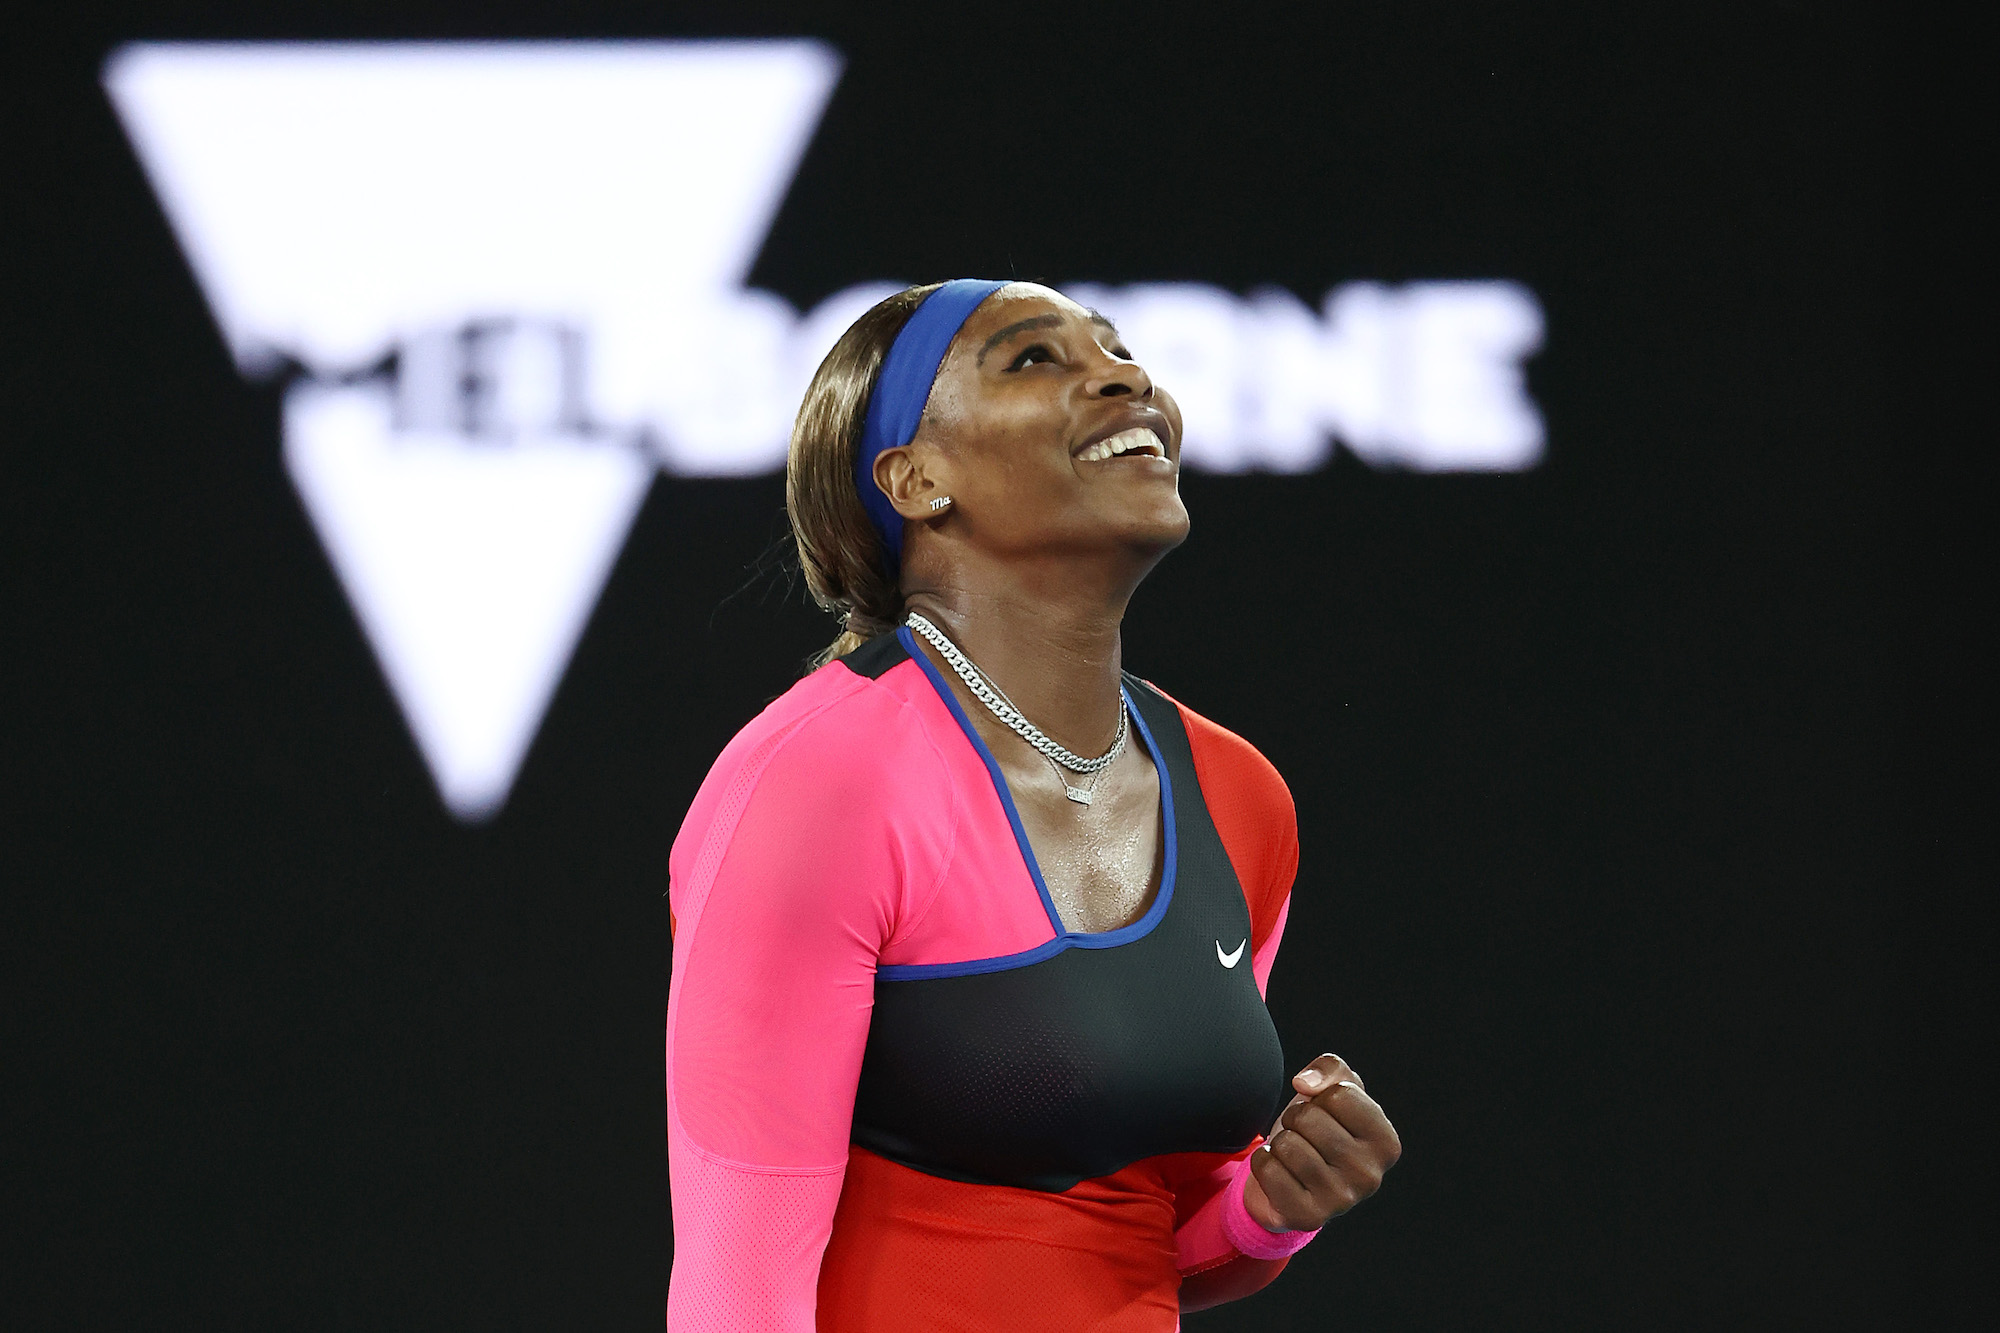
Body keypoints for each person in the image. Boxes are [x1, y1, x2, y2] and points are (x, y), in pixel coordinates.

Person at [664, 279, 1401, 1330]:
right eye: (1032, 359)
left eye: (1115, 348)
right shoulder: (818, 779)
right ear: (917, 480)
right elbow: (738, 1290)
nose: (1125, 375)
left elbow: (1155, 1238)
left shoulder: (1240, 793)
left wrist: (1271, 1210)